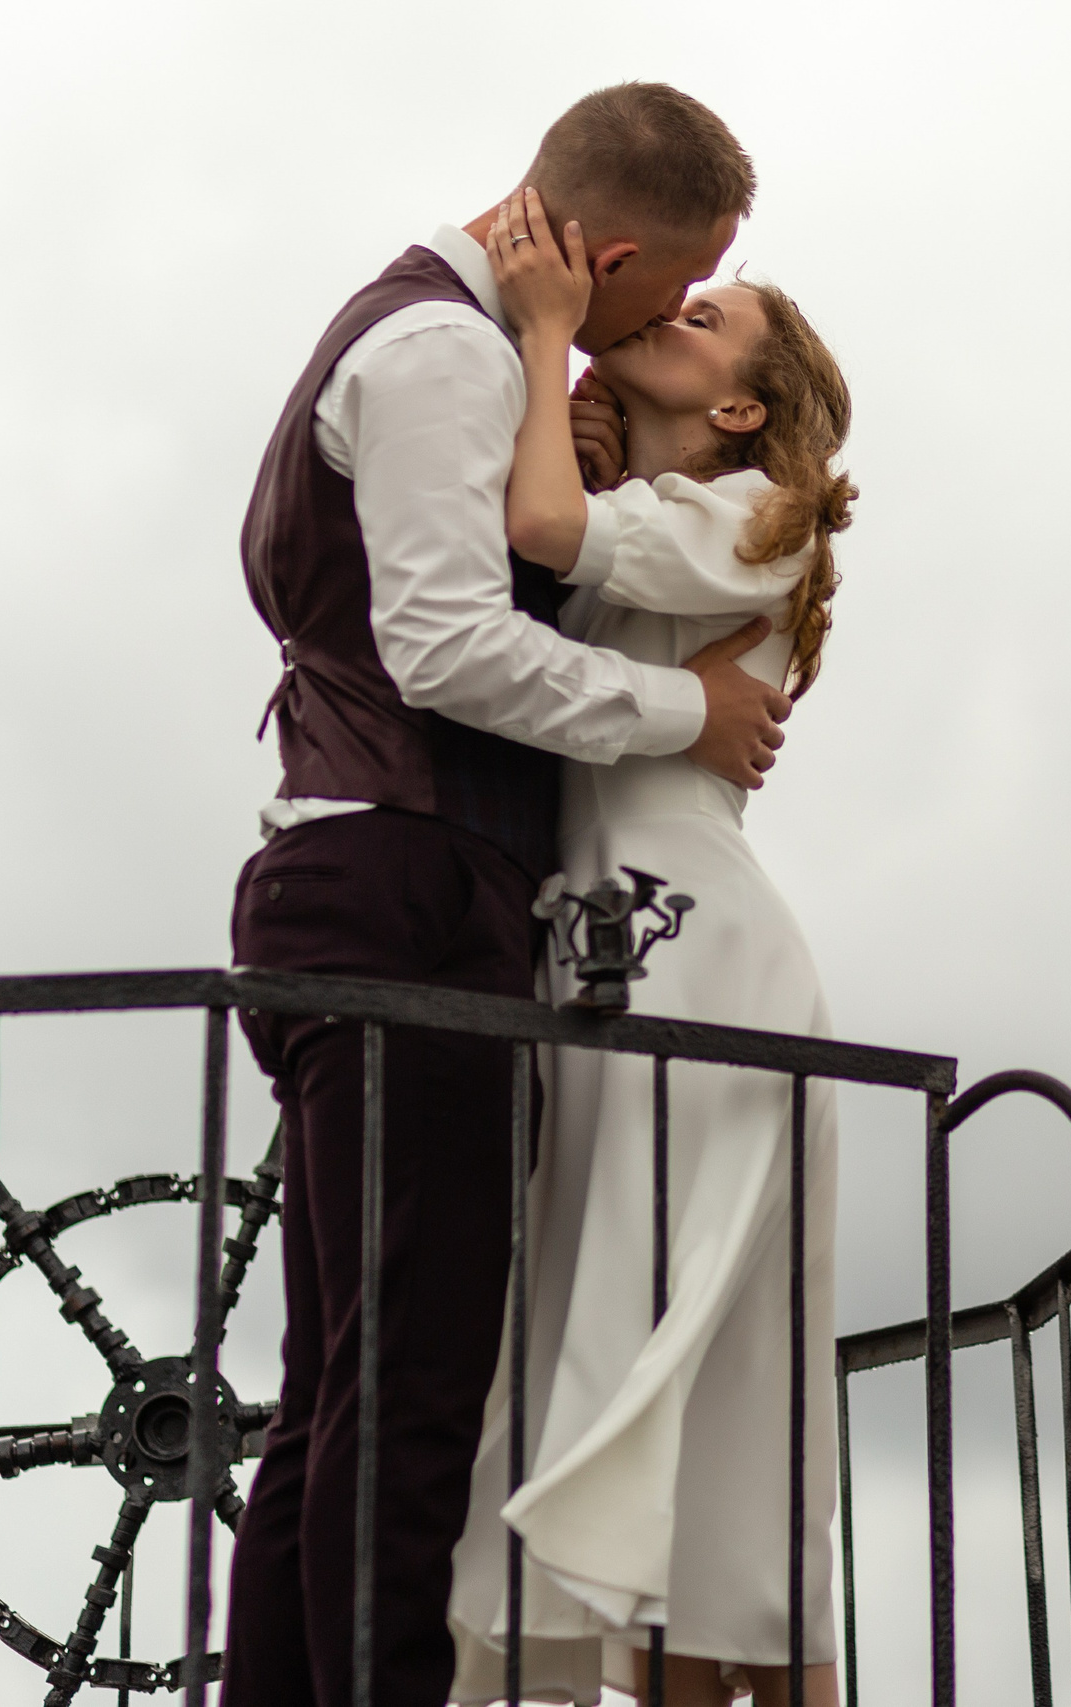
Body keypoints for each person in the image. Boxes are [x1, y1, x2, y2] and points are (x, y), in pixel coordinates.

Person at [225, 84, 792, 1707]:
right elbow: (448, 647)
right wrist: (688, 711)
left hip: (369, 878)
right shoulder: (444, 356)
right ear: (611, 261)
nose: (666, 316)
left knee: (343, 1389)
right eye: (676, 286)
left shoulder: (447, 347)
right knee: (406, 1393)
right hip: (403, 891)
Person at [438, 188, 852, 1707]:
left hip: (693, 952)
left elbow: (542, 530)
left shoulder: (748, 521)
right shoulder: (664, 516)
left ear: (743, 405)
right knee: (670, 1375)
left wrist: (549, 332)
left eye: (708, 315)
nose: (676, 310)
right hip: (614, 946)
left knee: (699, 1370)